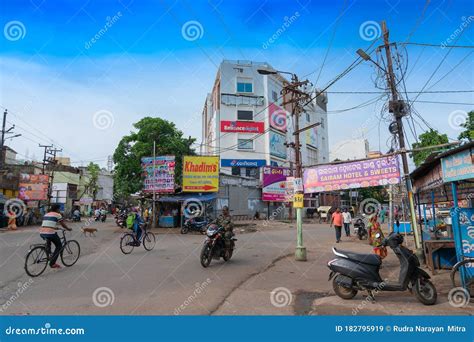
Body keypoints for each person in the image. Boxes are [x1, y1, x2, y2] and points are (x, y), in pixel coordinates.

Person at [39, 204, 72, 269]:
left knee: (49, 241)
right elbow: (63, 224)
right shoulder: (58, 215)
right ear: (57, 209)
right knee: (59, 246)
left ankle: (49, 254)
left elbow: (48, 223)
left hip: (42, 232)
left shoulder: (47, 214)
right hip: (50, 232)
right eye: (59, 209)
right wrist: (68, 229)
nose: (59, 210)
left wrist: (55, 227)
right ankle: (52, 263)